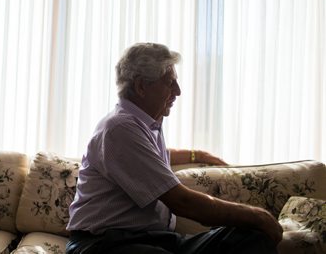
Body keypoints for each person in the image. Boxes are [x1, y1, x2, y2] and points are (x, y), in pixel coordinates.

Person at [66, 43, 282, 254]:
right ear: (141, 86)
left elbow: (150, 160)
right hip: (104, 244)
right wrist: (258, 215)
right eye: (170, 83)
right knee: (255, 225)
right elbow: (182, 202)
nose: (178, 91)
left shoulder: (146, 123)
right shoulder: (120, 128)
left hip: (154, 240)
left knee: (250, 237)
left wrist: (196, 154)